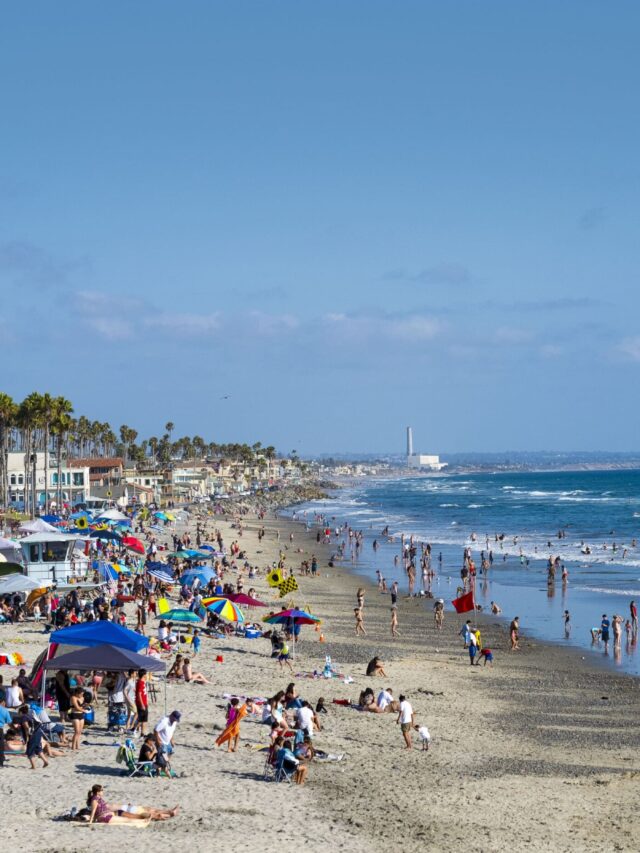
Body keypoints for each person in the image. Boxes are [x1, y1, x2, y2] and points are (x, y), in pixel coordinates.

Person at [135, 669, 148, 737]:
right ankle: (134, 729)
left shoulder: (142, 682)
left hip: (144, 703)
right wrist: (142, 704)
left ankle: (143, 733)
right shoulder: (140, 682)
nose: (146, 675)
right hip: (141, 704)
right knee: (141, 719)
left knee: (144, 719)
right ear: (143, 675)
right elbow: (139, 694)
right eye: (146, 674)